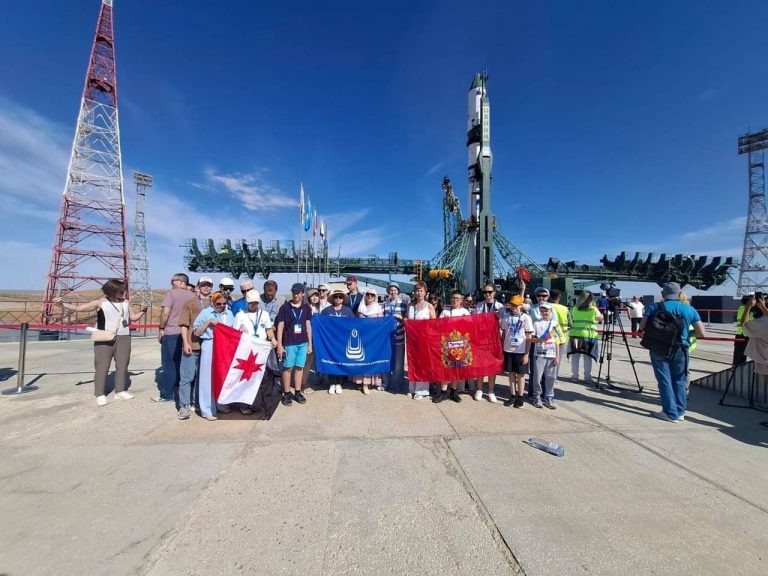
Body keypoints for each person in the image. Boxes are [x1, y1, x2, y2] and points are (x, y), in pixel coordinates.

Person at [54, 279, 147, 406]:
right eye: (121, 290)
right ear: (112, 290)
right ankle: (100, 394)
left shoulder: (126, 303)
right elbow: (78, 308)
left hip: (124, 337)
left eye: (123, 290)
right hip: (105, 337)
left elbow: (133, 318)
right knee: (102, 366)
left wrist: (143, 310)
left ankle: (120, 391)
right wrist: (61, 305)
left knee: (123, 365)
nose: (123, 293)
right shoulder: (100, 303)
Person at [639, 282, 706, 422]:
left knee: (664, 380)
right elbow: (701, 333)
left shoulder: (653, 307)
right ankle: (680, 411)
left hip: (658, 348)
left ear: (663, 294)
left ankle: (669, 412)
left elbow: (642, 327)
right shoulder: (689, 309)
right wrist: (688, 335)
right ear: (679, 293)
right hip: (681, 348)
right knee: (680, 380)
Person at [193, 292, 235, 420]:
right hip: (210, 344)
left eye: (224, 303)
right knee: (207, 377)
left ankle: (221, 404)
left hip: (224, 346)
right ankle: (207, 409)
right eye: (218, 304)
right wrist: (208, 323)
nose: (221, 306)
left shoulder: (229, 313)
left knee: (222, 375)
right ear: (213, 302)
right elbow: (196, 332)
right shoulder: (206, 313)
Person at [177, 277, 214, 420]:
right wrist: (185, 342)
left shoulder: (215, 302)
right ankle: (184, 406)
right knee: (187, 376)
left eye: (208, 285)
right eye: (203, 285)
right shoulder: (190, 303)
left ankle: (197, 402)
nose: (206, 287)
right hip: (193, 345)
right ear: (198, 286)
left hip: (209, 346)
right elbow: (184, 325)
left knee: (203, 377)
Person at [157, 273, 196, 403]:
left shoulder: (171, 294)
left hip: (172, 332)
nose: (171, 283)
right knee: (183, 365)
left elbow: (165, 312)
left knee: (169, 365)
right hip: (187, 335)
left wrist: (161, 328)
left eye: (173, 280)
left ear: (180, 281)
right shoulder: (193, 296)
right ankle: (183, 392)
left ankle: (167, 394)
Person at [275, 283, 313, 406]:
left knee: (299, 367)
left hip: (302, 342)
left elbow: (308, 326)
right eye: (293, 292)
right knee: (287, 368)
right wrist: (280, 345)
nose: (295, 294)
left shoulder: (306, 308)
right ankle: (286, 393)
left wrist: (310, 344)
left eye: (298, 292)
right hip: (289, 342)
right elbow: (280, 326)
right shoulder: (285, 308)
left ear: (303, 293)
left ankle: (297, 391)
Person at [432, 290, 469, 403]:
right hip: (447, 344)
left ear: (461, 300)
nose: (455, 300)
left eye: (457, 298)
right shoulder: (445, 312)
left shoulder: (465, 312)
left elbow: (470, 327)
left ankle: (453, 391)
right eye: (453, 298)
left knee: (456, 369)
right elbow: (438, 326)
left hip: (460, 345)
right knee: (446, 368)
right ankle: (443, 392)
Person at [472, 283, 505, 402]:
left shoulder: (500, 307)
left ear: (494, 293)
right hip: (481, 340)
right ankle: (479, 389)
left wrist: (497, 318)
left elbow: (503, 324)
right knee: (480, 365)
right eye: (485, 292)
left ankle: (491, 391)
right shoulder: (480, 305)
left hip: (494, 340)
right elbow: (474, 321)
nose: (487, 294)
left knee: (492, 366)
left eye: (490, 292)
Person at [320, 287, 354, 395]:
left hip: (343, 341)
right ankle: (331, 383)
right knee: (331, 361)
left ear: (343, 299)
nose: (338, 299)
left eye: (340, 297)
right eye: (336, 297)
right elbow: (320, 324)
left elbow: (353, 324)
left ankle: (338, 383)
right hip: (330, 341)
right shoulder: (326, 311)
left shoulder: (348, 311)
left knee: (340, 362)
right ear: (333, 298)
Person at [501, 295, 533, 408]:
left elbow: (529, 337)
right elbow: (504, 334)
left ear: (521, 306)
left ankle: (520, 396)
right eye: (512, 305)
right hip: (508, 349)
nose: (513, 307)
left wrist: (526, 354)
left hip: (520, 350)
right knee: (511, 374)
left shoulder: (526, 318)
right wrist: (502, 348)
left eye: (516, 305)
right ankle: (512, 395)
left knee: (520, 375)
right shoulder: (506, 317)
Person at [407, 281, 436, 399]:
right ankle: (412, 387)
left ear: (425, 293)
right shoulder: (412, 307)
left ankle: (422, 390)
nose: (418, 293)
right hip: (412, 339)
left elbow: (434, 323)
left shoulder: (429, 306)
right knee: (413, 362)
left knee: (422, 363)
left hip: (425, 339)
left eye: (421, 291)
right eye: (417, 290)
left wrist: (426, 324)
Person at [569, 291, 603, 386]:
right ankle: (587, 377)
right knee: (587, 357)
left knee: (575, 357)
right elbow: (600, 318)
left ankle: (574, 376)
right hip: (588, 335)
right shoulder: (593, 309)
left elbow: (571, 318)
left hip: (575, 334)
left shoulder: (574, 308)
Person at [354, 287, 385, 394]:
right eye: (368, 294)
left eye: (372, 295)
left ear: (375, 296)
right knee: (361, 359)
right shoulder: (361, 307)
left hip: (373, 339)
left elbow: (381, 324)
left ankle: (368, 383)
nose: (370, 296)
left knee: (370, 360)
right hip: (362, 338)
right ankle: (362, 382)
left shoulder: (378, 308)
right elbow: (357, 322)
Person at [530, 302, 560, 409]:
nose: (544, 313)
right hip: (539, 354)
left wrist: (557, 356)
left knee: (551, 377)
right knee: (537, 376)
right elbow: (531, 338)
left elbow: (557, 341)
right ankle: (537, 396)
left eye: (546, 311)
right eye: (542, 311)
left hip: (551, 354)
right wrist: (538, 340)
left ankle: (549, 396)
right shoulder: (536, 324)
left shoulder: (555, 324)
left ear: (550, 311)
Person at [381, 282, 408, 392]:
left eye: (395, 290)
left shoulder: (404, 304)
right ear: (388, 291)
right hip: (387, 338)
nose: (393, 292)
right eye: (391, 290)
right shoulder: (384, 304)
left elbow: (407, 320)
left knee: (398, 363)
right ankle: (386, 382)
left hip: (399, 336)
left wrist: (401, 318)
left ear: (398, 291)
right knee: (386, 361)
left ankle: (397, 385)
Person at [742, 294, 768, 376]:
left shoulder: (762, 323)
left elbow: (744, 326)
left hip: (765, 359)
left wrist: (748, 307)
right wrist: (763, 307)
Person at [549, 289, 571, 378]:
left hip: (547, 337)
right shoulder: (565, 309)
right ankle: (554, 378)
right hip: (561, 337)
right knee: (557, 359)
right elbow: (571, 323)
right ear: (559, 297)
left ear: (549, 296)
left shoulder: (545, 306)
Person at [733, 294, 754, 366]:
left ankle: (736, 369)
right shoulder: (751, 310)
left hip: (740, 334)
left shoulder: (741, 308)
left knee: (738, 356)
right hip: (748, 334)